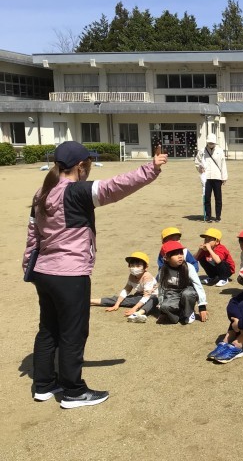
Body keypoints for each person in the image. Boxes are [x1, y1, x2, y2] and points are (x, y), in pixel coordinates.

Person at [23, 141, 167, 408]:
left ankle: (44, 384)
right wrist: (151, 169)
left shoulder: (42, 192)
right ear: (81, 166)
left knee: (48, 329)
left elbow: (33, 233)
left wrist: (27, 266)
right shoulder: (77, 191)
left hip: (43, 272)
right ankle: (73, 391)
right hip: (69, 274)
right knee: (73, 332)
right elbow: (115, 186)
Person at [90, 251, 158, 318]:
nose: (134, 268)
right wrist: (117, 304)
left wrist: (134, 308)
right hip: (139, 296)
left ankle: (138, 313)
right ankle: (89, 301)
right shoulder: (132, 275)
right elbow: (126, 290)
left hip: (152, 297)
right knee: (120, 300)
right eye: (132, 265)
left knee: (153, 300)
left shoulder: (147, 277)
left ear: (145, 267)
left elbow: (147, 296)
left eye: (138, 266)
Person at [157, 240, 208, 325]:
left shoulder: (189, 267)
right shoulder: (163, 270)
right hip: (172, 295)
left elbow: (198, 285)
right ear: (166, 258)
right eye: (175, 254)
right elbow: (161, 289)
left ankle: (189, 312)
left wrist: (202, 306)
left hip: (187, 291)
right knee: (164, 307)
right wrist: (162, 308)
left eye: (181, 253)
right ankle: (178, 315)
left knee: (188, 293)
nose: (180, 256)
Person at [194, 134, 228, 223]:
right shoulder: (202, 151)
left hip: (217, 177)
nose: (211, 144)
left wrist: (224, 177)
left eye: (212, 143)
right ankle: (208, 216)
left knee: (218, 198)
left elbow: (223, 165)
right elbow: (197, 162)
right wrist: (199, 168)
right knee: (207, 198)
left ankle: (218, 216)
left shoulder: (220, 151)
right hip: (206, 178)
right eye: (209, 143)